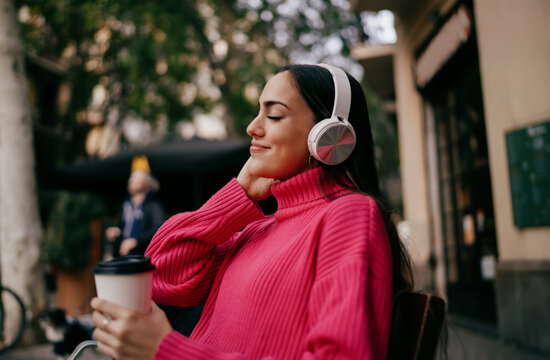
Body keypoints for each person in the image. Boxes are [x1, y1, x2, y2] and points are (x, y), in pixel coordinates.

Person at [90, 64, 413, 359]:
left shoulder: (349, 215)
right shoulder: (257, 228)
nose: (252, 127)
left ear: (329, 135)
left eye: (273, 116)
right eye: (257, 113)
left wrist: (167, 351)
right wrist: (237, 196)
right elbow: (160, 275)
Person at [104, 156, 165, 258]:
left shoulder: (153, 206)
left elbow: (157, 229)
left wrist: (136, 241)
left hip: (144, 259)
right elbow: (123, 228)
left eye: (135, 177)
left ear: (146, 183)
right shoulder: (125, 205)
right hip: (124, 258)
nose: (130, 180)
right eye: (131, 177)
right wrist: (116, 232)